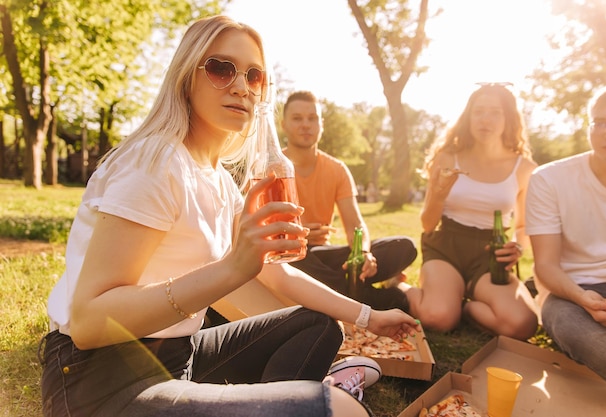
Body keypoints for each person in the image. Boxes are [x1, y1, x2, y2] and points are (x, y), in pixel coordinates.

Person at [38, 16, 420, 417]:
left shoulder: (218, 180)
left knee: (318, 325)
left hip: (176, 357)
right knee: (343, 411)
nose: (241, 85)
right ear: (187, 76)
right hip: (98, 382)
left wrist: (369, 316)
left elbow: (277, 273)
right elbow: (87, 323)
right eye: (222, 69)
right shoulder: (152, 164)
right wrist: (232, 268)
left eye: (254, 76)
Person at [411, 83, 538, 340]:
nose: (485, 119)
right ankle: (400, 287)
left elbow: (524, 226)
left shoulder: (524, 168)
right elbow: (427, 224)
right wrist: (439, 194)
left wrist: (518, 246)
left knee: (522, 324)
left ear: (508, 118)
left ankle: (467, 308)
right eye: (478, 111)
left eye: (495, 112)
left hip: (491, 254)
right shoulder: (448, 158)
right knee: (438, 318)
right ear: (468, 116)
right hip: (446, 246)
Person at [525, 79, 606, 393]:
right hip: (573, 293)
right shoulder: (549, 180)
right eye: (602, 123)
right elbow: (546, 266)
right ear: (589, 127)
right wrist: (582, 297)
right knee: (570, 326)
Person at [281, 91, 419, 315]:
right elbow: (261, 232)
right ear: (284, 124)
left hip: (326, 258)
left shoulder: (336, 169)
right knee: (291, 261)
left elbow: (355, 224)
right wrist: (297, 234)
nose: (305, 125)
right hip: (292, 256)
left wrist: (363, 253)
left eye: (312, 118)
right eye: (297, 118)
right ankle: (361, 295)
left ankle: (338, 292)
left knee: (404, 246)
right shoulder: (271, 166)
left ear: (321, 124)